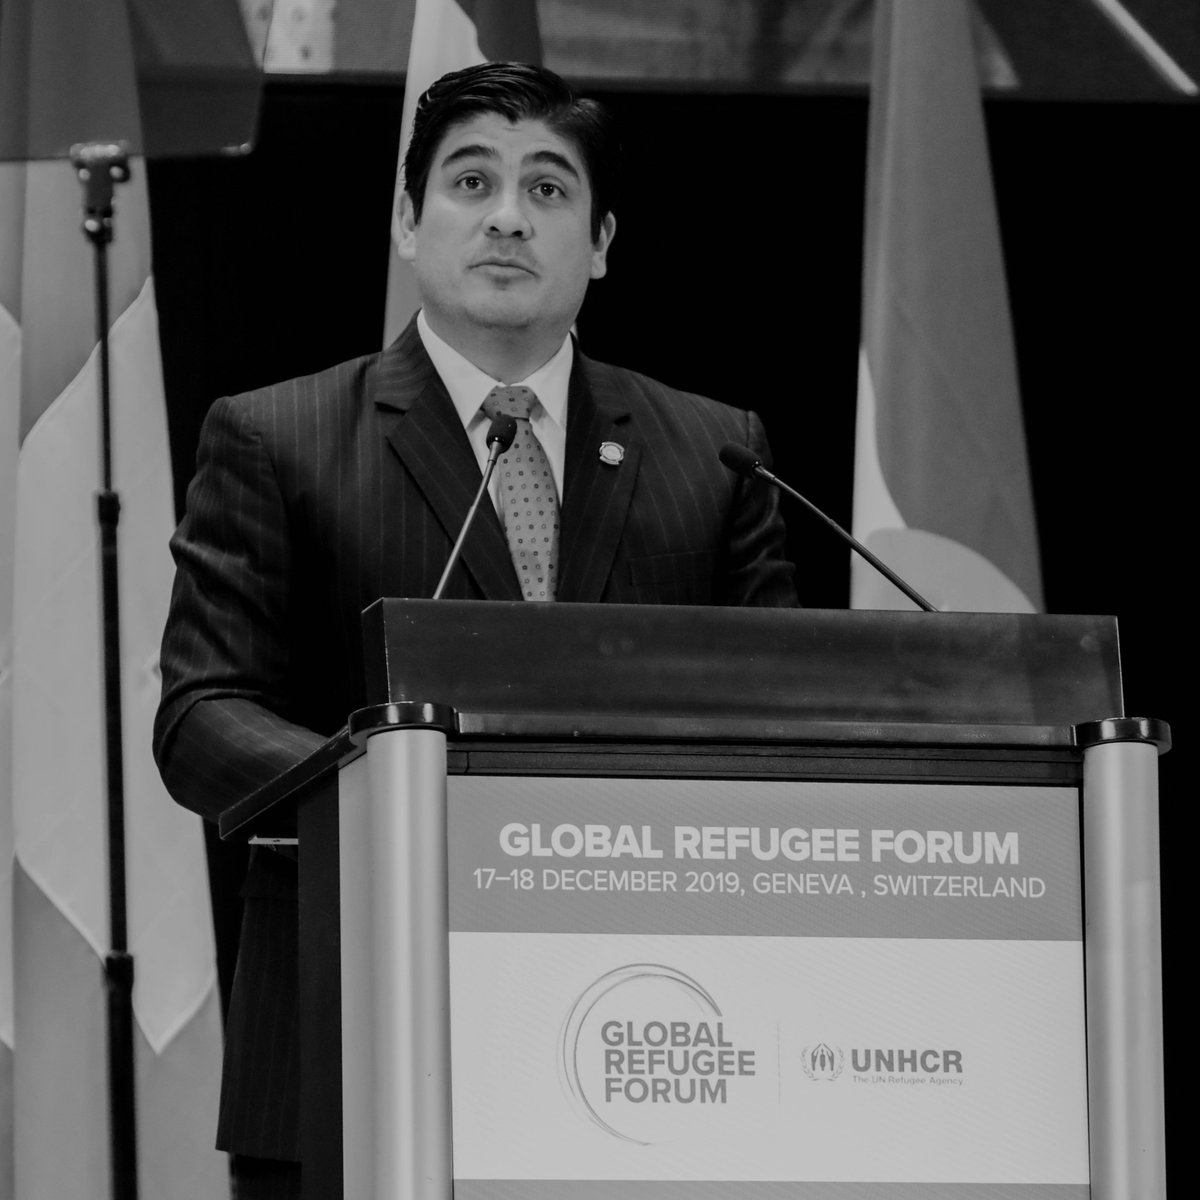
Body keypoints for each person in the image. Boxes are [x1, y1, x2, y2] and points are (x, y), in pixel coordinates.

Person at [154, 61, 797, 1198]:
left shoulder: (714, 455)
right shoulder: (276, 437)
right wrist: (391, 796)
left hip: (653, 1031)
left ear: (601, 242)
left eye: (548, 189)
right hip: (353, 1013)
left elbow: (779, 719)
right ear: (409, 223)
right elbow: (202, 716)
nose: (507, 216)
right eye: (470, 182)